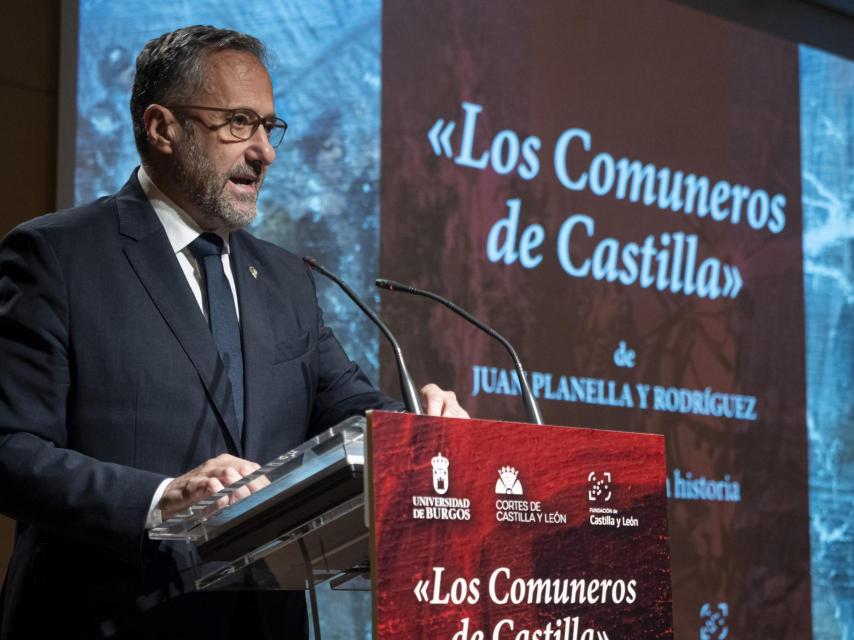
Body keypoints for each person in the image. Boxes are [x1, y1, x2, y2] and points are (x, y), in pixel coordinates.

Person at [0, 25, 467, 639]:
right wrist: (160, 499)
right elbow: (11, 450)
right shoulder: (58, 256)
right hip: (109, 620)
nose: (264, 151)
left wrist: (417, 430)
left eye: (268, 127)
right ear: (162, 128)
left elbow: (347, 407)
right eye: (238, 123)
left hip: (263, 622)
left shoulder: (284, 277)